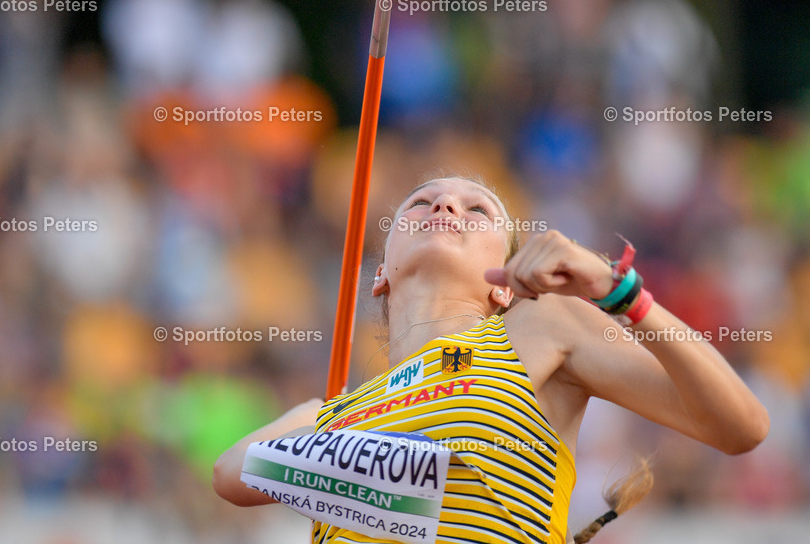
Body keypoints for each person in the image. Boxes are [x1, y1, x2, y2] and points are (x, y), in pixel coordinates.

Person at [214, 176, 769, 542]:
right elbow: (231, 474)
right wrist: (324, 416)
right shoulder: (336, 412)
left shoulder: (541, 328)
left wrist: (618, 290)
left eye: (477, 209)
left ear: (504, 286)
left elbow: (741, 425)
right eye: (422, 203)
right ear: (379, 273)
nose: (447, 206)